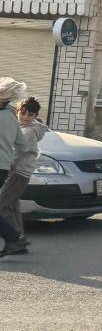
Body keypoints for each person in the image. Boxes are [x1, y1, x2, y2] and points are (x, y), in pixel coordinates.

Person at [0, 97, 46, 253]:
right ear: (18, 111)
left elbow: (18, 152)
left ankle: (16, 238)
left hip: (18, 172)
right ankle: (19, 240)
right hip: (18, 172)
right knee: (12, 206)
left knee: (2, 206)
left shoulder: (28, 131)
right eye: (23, 112)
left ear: (35, 116)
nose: (25, 117)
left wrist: (5, 165)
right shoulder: (20, 126)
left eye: (30, 114)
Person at [0, 78, 26, 256]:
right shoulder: (10, 117)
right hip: (3, 167)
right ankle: (14, 239)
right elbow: (22, 146)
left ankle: (14, 237)